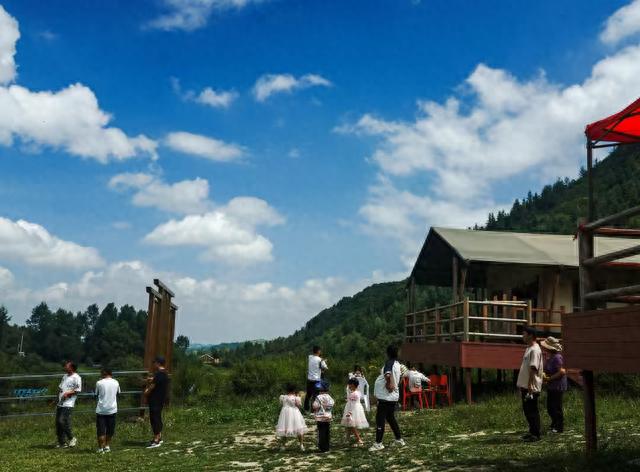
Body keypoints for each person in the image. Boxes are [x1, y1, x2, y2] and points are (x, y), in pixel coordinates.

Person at [370, 345, 405, 452]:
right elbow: (402, 376)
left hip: (386, 397)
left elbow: (387, 374)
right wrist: (395, 384)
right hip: (393, 396)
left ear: (388, 353)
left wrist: (389, 384)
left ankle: (378, 443)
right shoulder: (398, 364)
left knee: (380, 419)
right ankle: (399, 439)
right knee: (390, 418)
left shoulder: (389, 363)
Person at [517, 326, 543, 442]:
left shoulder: (535, 350)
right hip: (525, 385)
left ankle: (536, 434)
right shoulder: (528, 348)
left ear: (531, 335)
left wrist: (529, 385)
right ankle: (531, 431)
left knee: (532, 410)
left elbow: (533, 368)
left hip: (531, 386)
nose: (523, 336)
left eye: (524, 334)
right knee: (527, 410)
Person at [541, 336, 567, 434]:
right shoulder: (549, 357)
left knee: (556, 407)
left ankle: (559, 427)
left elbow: (562, 371)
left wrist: (549, 378)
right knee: (550, 407)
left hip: (557, 385)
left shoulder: (557, 357)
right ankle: (554, 424)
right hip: (551, 385)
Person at [144, 356, 169, 448]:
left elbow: (152, 386)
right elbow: (158, 382)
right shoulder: (164, 373)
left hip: (155, 399)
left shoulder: (158, 374)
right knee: (158, 417)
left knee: (154, 419)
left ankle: (156, 440)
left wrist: (146, 392)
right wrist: (152, 380)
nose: (153, 365)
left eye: (154, 363)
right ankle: (159, 437)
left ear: (158, 363)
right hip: (160, 399)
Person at [55, 361, 82, 448]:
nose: (65, 367)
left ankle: (71, 438)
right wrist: (57, 397)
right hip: (60, 403)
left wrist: (68, 394)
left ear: (71, 368)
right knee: (58, 423)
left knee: (61, 421)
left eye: (66, 366)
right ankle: (62, 443)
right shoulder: (65, 376)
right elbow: (61, 388)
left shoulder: (76, 377)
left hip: (68, 403)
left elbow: (77, 390)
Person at [95, 367, 120, 453]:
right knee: (110, 430)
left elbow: (96, 394)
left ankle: (100, 448)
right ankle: (107, 446)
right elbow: (118, 393)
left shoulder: (99, 383)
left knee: (101, 430)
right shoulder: (116, 382)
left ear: (104, 373)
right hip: (112, 409)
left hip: (101, 410)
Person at [276, 383, 308, 451]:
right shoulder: (296, 398)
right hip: (295, 413)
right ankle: (301, 445)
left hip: (285, 414)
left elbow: (281, 404)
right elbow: (299, 406)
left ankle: (283, 446)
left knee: (284, 428)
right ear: (294, 390)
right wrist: (299, 397)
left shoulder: (283, 397)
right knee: (299, 428)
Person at [341, 378, 369, 447]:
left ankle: (359, 439)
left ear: (353, 385)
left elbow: (352, 404)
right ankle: (347, 438)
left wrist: (349, 412)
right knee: (349, 425)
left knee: (352, 424)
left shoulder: (354, 394)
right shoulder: (357, 392)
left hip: (352, 409)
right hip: (354, 408)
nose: (348, 386)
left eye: (349, 385)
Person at [312, 380, 334, 453]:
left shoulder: (319, 397)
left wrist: (315, 408)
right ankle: (327, 447)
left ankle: (322, 447)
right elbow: (332, 404)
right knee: (327, 431)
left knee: (321, 432)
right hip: (328, 417)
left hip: (320, 417)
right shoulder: (329, 397)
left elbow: (315, 406)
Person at [304, 346, 328, 412]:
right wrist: (324, 361)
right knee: (315, 396)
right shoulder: (320, 360)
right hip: (316, 380)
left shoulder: (310, 357)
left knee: (308, 395)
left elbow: (314, 360)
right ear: (318, 351)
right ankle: (313, 411)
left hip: (309, 380)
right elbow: (325, 368)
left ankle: (305, 409)